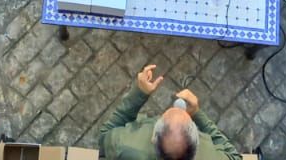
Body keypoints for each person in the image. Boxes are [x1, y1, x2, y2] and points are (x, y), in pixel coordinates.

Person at [97, 64, 242, 160]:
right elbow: (235, 157)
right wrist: (197, 113)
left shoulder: (124, 145)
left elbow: (105, 135)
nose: (178, 106)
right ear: (197, 142)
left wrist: (139, 93)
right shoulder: (211, 156)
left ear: (154, 137)